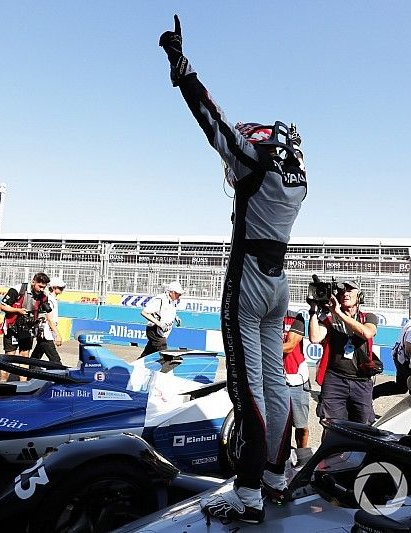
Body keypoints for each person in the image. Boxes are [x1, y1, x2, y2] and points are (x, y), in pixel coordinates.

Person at [160, 16, 307, 523]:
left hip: (246, 282)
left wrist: (180, 66)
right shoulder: (298, 180)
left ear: (262, 143)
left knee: (247, 391)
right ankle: (274, 476)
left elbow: (212, 121)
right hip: (278, 284)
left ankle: (245, 498)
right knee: (276, 385)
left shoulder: (257, 163)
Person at [309, 281, 379, 428]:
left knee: (363, 428)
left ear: (359, 296)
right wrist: (313, 311)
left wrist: (338, 313)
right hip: (335, 380)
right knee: (332, 427)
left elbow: (367, 333)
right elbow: (315, 338)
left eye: (350, 290)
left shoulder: (368, 317)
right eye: (342, 292)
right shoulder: (330, 318)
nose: (345, 294)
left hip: (361, 380)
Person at [373, 299, 411, 399]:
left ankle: (372, 394)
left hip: (403, 360)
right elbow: (409, 347)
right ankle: (371, 394)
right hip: (408, 363)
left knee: (401, 387)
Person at [0, 272, 54, 382]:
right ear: (33, 282)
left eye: (44, 287)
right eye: (40, 286)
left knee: (24, 358)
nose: (42, 289)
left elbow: (43, 313)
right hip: (12, 328)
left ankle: (23, 385)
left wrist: (40, 325)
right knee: (9, 357)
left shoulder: (44, 296)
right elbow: (2, 306)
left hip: (29, 329)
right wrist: (18, 310)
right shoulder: (17, 289)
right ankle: (2, 384)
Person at [282, 310, 312, 467]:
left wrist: (261, 348)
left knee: (300, 425)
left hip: (295, 378)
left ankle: (303, 460)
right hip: (272, 377)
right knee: (279, 425)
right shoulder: (263, 316)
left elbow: (290, 345)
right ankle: (282, 459)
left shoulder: (295, 317)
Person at [138, 281, 184, 358]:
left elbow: (169, 310)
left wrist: (176, 317)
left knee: (147, 353)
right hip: (155, 331)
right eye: (178, 294)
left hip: (162, 333)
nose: (179, 296)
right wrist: (159, 323)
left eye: (180, 294)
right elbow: (144, 312)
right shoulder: (160, 300)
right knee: (166, 356)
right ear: (171, 292)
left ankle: (136, 365)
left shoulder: (174, 299)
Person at [30, 278, 66, 364]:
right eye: (60, 288)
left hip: (45, 332)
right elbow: (49, 319)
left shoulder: (52, 299)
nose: (62, 290)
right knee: (55, 360)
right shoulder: (49, 299)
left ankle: (29, 372)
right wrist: (57, 335)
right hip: (46, 333)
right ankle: (57, 376)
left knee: (36, 357)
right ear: (53, 288)